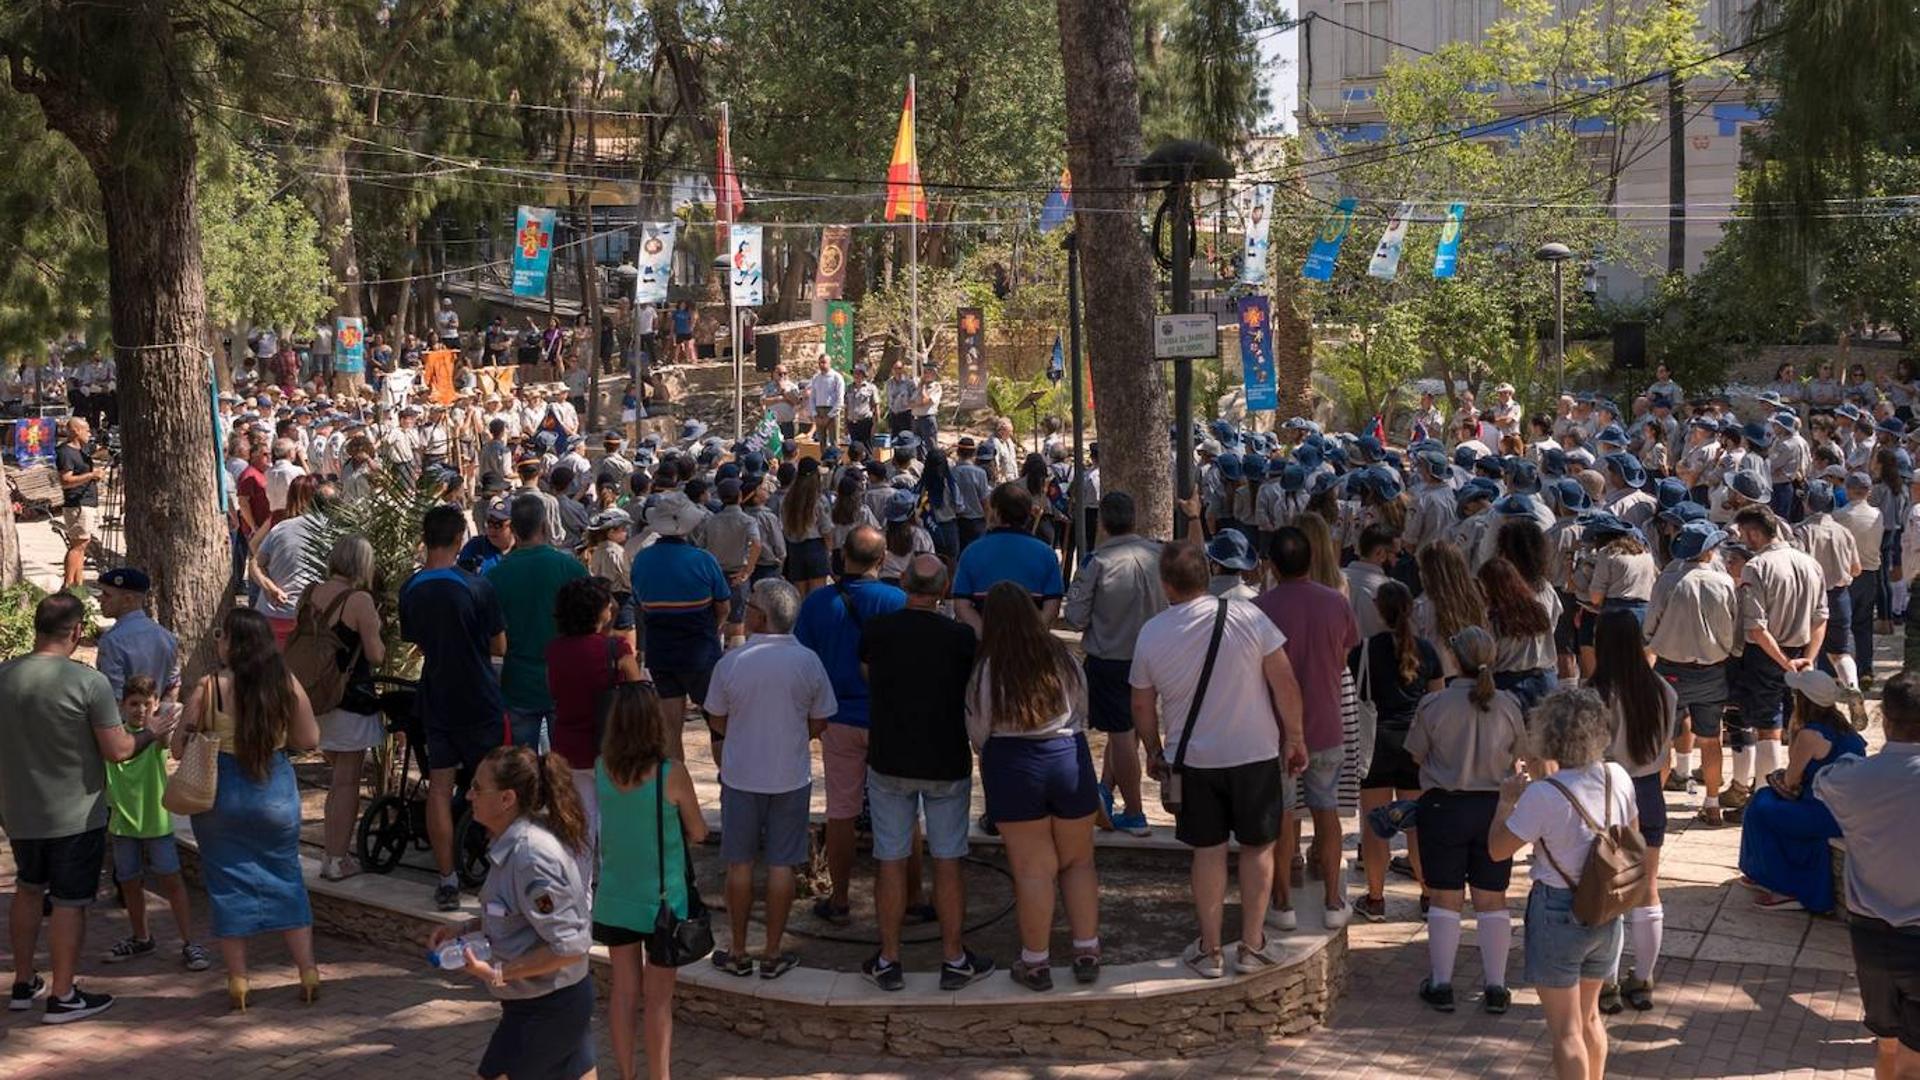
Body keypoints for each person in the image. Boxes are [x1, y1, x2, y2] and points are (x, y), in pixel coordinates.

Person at [1132, 542, 1307, 978]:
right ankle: (1252, 944)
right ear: (1207, 575)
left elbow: (1140, 702)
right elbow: (1284, 681)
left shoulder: (1152, 632)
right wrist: (1296, 738)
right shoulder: (1250, 618)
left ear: (1166, 584)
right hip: (1254, 752)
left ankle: (1210, 949)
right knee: (1257, 848)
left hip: (1193, 759)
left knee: (1206, 853)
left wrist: (1154, 749)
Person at [2, 594, 172, 1021]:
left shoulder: (4, 675)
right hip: (76, 814)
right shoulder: (87, 682)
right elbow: (118, 750)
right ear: (76, 632)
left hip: (20, 810)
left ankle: (23, 983)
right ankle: (63, 994)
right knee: (69, 900)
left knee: (27, 888)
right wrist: (151, 732)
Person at [859, 555, 995, 990]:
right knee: (949, 860)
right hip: (944, 759)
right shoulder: (959, 638)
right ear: (944, 588)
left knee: (891, 859)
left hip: (890, 757)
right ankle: (953, 956)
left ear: (903, 582)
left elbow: (867, 673)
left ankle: (889, 956)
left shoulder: (879, 631)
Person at [1488, 687, 1638, 1080]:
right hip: (1605, 909)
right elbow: (1630, 838)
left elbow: (1498, 850)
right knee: (1590, 1019)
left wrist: (1506, 802)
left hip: (1556, 911)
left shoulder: (1541, 794)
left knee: (1565, 1030)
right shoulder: (1617, 776)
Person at [176, 607, 321, 1011]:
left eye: (221, 635)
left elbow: (176, 747)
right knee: (286, 874)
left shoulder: (209, 687)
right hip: (273, 786)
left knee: (226, 884)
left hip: (221, 794)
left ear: (233, 642)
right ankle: (307, 970)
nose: (217, 641)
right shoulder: (284, 682)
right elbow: (309, 738)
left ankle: (239, 981)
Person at [429, 745, 596, 1080]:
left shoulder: (530, 857)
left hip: (548, 1007)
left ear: (507, 799)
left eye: (477, 788)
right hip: (547, 1001)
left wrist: (497, 973)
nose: (469, 795)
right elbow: (518, 915)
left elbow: (570, 945)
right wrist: (464, 929)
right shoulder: (511, 845)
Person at [968, 581, 1103, 990]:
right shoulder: (1063, 657)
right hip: (1067, 756)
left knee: (1032, 871)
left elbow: (978, 732)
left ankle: (1036, 962)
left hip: (1012, 764)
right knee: (1079, 861)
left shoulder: (986, 668)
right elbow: (1083, 709)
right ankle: (1086, 950)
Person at [706, 579, 836, 978]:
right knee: (783, 865)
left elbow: (717, 719)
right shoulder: (808, 662)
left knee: (739, 864)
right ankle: (774, 952)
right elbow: (820, 719)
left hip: (742, 774)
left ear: (760, 615)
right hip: (789, 775)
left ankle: (739, 949)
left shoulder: (732, 663)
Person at [1405, 626, 1526, 1014]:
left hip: (1444, 808)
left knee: (1445, 897)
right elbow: (1520, 755)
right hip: (1494, 809)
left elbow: (1416, 756)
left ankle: (1441, 983)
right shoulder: (1508, 704)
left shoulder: (1434, 704)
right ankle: (1496, 986)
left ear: (1454, 659)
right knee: (1493, 899)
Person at [593, 682, 709, 1080]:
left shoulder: (600, 769)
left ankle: (626, 1075)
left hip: (615, 896)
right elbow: (698, 832)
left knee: (623, 994)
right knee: (658, 1002)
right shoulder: (670, 774)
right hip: (663, 903)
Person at [794, 526, 907, 923]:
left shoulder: (816, 604)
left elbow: (803, 661)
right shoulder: (897, 601)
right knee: (900, 808)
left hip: (836, 718)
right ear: (882, 558)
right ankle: (908, 899)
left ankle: (840, 899)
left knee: (840, 811)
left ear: (843, 557)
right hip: (888, 717)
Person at [400, 504, 509, 912]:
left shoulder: (411, 587)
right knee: (493, 785)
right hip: (478, 695)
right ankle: (498, 876)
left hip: (436, 694)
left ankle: (446, 878)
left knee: (439, 788)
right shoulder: (476, 586)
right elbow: (499, 645)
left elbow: (416, 638)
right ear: (460, 539)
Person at [1815, 672, 1920, 1080]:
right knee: (1912, 1061)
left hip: (1871, 938)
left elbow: (1823, 784)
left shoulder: (1853, 779)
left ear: (1884, 720)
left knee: (1886, 1049)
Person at [1255, 525, 1361, 928]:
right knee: (1326, 811)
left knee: (1282, 816)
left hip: (1276, 729)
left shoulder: (1261, 608)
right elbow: (1345, 654)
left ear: (1273, 565)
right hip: (1328, 723)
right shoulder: (1337, 602)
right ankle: (1334, 900)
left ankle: (1282, 903)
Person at [1589, 609, 1679, 1013]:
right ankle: (1642, 979)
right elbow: (1665, 754)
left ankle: (1606, 981)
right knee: (1647, 889)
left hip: (1604, 794)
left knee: (1604, 891)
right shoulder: (1663, 690)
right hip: (1647, 792)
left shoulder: (1593, 694)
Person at [1062, 492, 1167, 836]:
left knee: (1121, 736)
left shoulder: (1097, 562)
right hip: (1155, 659)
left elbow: (1076, 617)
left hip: (1112, 661)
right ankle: (1106, 790)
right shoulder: (1160, 554)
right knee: (1129, 732)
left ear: (1103, 523)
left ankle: (1135, 813)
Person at [101, 675, 209, 971]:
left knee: (172, 881)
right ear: (123, 705)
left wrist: (164, 723)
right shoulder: (116, 739)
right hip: (123, 825)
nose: (139, 710)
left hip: (156, 822)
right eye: (133, 704)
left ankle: (189, 941)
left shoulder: (156, 737)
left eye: (146, 704)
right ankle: (141, 937)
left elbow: (165, 739)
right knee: (130, 883)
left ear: (155, 704)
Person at [1738, 668, 1868, 913]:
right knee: (1767, 802)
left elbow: (1790, 781)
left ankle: (1782, 885)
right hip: (1844, 811)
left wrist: (1794, 731)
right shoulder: (1846, 730)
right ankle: (1767, 874)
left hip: (1823, 813)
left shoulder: (1810, 734)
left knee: (1760, 804)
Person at [1726, 505, 1828, 816]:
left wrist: (1785, 663)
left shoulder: (1756, 567)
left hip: (1768, 655)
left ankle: (1762, 801)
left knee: (1766, 725)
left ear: (1755, 532)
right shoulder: (1811, 564)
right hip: (1801, 654)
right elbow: (1821, 617)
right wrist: (1807, 659)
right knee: (1796, 723)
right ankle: (1787, 789)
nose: (1744, 541)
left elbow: (1756, 628)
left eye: (1745, 534)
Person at [1353, 580, 1442, 922]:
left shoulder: (1362, 650)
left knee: (1375, 827)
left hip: (1374, 744)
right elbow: (1437, 701)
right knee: (1418, 825)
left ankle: (1375, 899)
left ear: (1378, 609)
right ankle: (1428, 895)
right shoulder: (1427, 651)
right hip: (1415, 746)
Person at [544, 576, 643, 883]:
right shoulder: (616, 648)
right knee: (613, 828)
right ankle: (613, 898)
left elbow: (553, 691)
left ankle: (579, 898)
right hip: (610, 747)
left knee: (580, 830)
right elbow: (638, 692)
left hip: (569, 749)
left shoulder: (554, 651)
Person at [1643, 520, 1740, 825]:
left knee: (1662, 742)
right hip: (1712, 670)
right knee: (1711, 740)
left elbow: (1650, 625)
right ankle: (1712, 804)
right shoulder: (1724, 582)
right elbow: (1735, 624)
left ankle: (1653, 806)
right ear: (1709, 551)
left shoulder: (1669, 580)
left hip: (1671, 669)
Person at [303, 535, 387, 882]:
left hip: (315, 697)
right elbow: (376, 655)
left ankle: (331, 855)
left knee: (338, 777)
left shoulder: (311, 593)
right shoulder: (359, 600)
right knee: (346, 782)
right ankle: (336, 858)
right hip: (350, 699)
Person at [629, 492, 732, 765]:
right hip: (700, 654)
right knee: (718, 724)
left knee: (671, 730)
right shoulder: (703, 560)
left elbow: (641, 603)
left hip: (661, 653)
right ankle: (728, 782)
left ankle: (675, 795)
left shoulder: (642, 560)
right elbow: (723, 608)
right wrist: (713, 628)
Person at [487, 492, 590, 749]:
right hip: (563, 679)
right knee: (564, 767)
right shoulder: (569, 567)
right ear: (544, 525)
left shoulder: (496, 576)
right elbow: (601, 610)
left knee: (523, 767)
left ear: (514, 529)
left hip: (518, 682)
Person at [952, 482, 1065, 632]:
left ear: (995, 513)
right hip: (1030, 646)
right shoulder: (1046, 554)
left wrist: (984, 636)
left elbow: (961, 605)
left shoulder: (971, 552)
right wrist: (1032, 636)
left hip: (984, 646)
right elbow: (1052, 605)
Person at [249, 475, 326, 647]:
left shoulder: (279, 525)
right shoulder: (328, 529)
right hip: (309, 618)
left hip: (271, 613)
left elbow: (254, 561)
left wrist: (270, 583)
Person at [93, 566, 181, 702]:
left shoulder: (112, 641)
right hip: (157, 716)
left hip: (124, 720)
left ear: (127, 600)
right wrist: (158, 717)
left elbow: (112, 695)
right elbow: (173, 685)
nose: (100, 599)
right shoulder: (167, 637)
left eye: (107, 594)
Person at [56, 416, 101, 589]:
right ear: (76, 430)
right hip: (78, 504)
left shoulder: (82, 451)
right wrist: (91, 475)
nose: (90, 434)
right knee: (77, 546)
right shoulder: (65, 452)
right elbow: (66, 480)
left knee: (82, 546)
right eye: (87, 430)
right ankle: (68, 584)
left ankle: (78, 584)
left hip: (88, 502)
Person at [780, 457, 834, 595]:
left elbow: (784, 526)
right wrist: (830, 552)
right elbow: (826, 529)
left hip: (794, 549)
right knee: (816, 597)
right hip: (815, 547)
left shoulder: (788, 499)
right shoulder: (818, 499)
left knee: (800, 597)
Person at [808, 354, 846, 447]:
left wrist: (829, 416)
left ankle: (836, 461)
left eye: (824, 362)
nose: (821, 365)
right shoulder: (816, 378)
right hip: (819, 411)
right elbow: (812, 397)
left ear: (830, 363)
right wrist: (815, 414)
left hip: (832, 411)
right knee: (821, 442)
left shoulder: (836, 377)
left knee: (834, 441)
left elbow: (840, 399)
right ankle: (824, 461)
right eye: (820, 363)